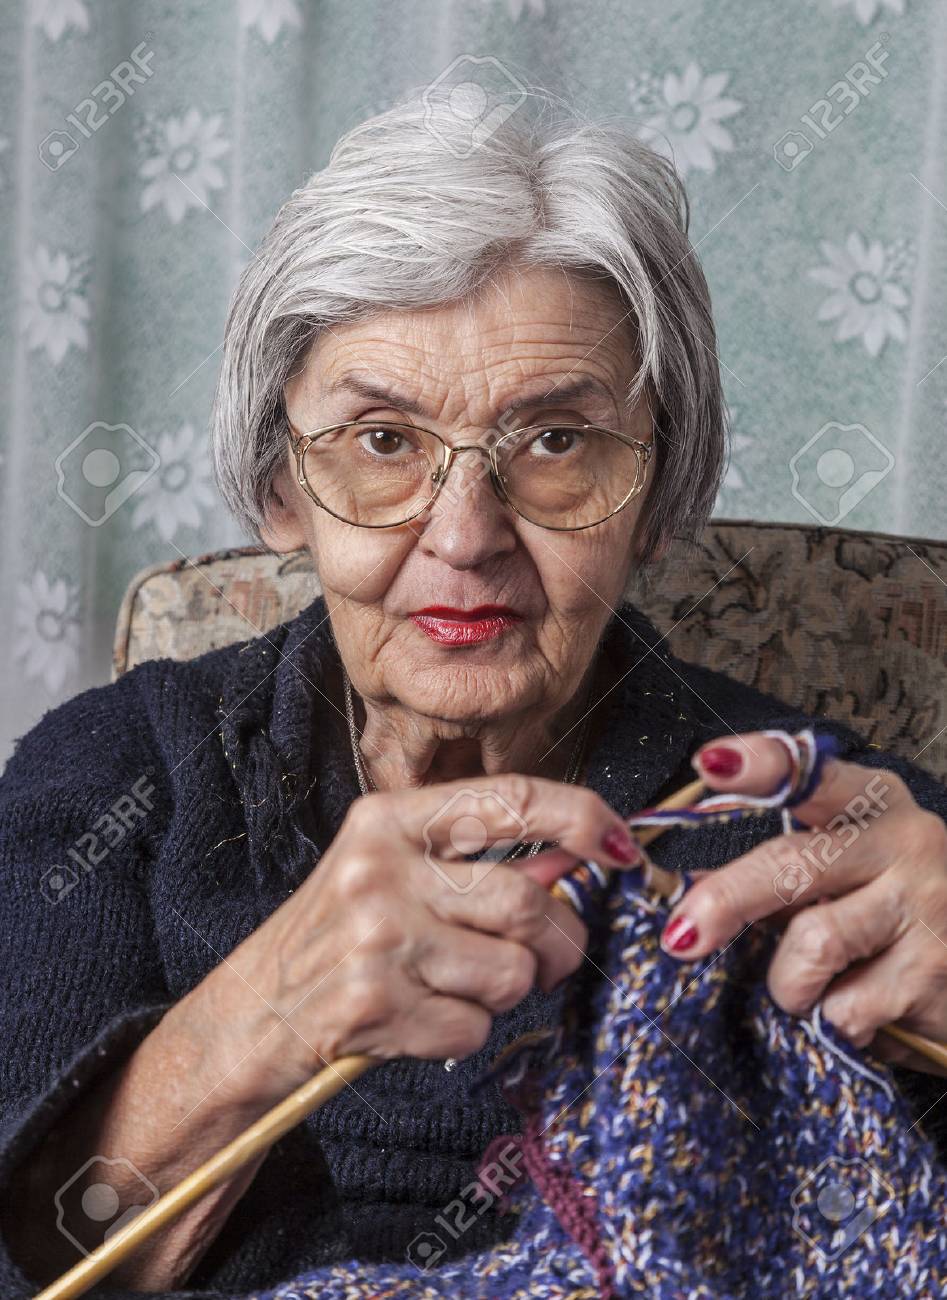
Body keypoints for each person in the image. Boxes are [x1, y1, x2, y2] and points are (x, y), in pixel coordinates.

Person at [1, 91, 945, 1297]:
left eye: (555, 442)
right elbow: (28, 1253)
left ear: (655, 497)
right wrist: (260, 1023)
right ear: (279, 487)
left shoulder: (823, 827)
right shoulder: (118, 781)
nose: (464, 535)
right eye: (382, 440)